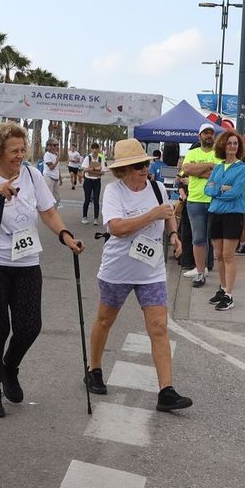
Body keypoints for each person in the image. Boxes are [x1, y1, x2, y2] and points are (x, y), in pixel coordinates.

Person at [0, 122, 82, 417]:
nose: (20, 155)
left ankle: (9, 366)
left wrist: (65, 235)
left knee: (30, 325)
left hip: (27, 261)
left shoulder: (32, 175)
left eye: (22, 149)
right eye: (13, 150)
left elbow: (48, 211)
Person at [83, 139, 192, 412]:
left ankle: (166, 391)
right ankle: (93, 369)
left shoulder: (156, 188)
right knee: (105, 321)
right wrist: (150, 214)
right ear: (123, 170)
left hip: (151, 270)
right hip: (118, 270)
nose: (144, 169)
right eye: (137, 166)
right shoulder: (113, 192)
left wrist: (174, 234)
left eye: (145, 163)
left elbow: (168, 215)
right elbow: (117, 227)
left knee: (158, 327)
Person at [204, 130, 245, 311]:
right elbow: (207, 189)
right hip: (215, 213)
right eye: (229, 143)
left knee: (229, 255)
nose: (232, 146)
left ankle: (230, 295)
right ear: (223, 145)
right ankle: (222, 288)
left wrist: (218, 191)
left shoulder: (242, 168)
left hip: (232, 215)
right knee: (218, 255)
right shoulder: (217, 167)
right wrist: (219, 190)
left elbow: (236, 192)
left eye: (235, 144)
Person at [178, 123, 219, 288]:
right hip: (194, 201)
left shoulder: (219, 153)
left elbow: (218, 173)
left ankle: (208, 268)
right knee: (198, 238)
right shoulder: (192, 152)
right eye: (205, 133)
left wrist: (198, 170)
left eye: (211, 133)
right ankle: (201, 272)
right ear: (199, 136)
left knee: (213, 239)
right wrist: (209, 166)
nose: (208, 135)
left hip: (214, 201)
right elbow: (186, 170)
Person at [81, 145, 105, 224]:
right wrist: (95, 169)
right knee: (87, 199)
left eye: (96, 148)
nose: (95, 150)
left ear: (98, 149)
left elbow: (102, 172)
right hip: (88, 181)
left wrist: (91, 171)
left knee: (96, 200)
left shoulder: (100, 159)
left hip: (97, 181)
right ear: (91, 149)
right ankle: (84, 217)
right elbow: (84, 169)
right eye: (93, 148)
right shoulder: (88, 158)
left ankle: (96, 218)